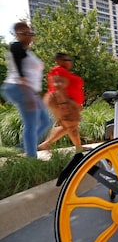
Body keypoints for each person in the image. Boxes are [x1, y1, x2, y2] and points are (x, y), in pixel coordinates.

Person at [0, 22, 51, 158]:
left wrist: (34, 93)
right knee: (31, 123)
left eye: (30, 33)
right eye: (25, 33)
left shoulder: (27, 52)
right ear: (17, 34)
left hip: (30, 91)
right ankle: (31, 157)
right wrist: (27, 94)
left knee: (46, 121)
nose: (29, 36)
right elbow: (20, 72)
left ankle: (23, 147)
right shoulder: (16, 47)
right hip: (18, 87)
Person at [38, 53, 86, 152]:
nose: (70, 62)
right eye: (68, 59)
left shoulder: (63, 71)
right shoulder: (58, 70)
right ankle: (78, 148)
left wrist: (76, 104)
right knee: (71, 124)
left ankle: (45, 145)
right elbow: (57, 85)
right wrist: (63, 103)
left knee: (66, 126)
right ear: (60, 60)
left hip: (67, 101)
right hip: (63, 101)